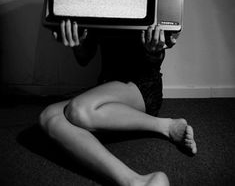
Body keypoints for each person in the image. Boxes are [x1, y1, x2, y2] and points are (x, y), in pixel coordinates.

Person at [39, 20, 197, 186]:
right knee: (49, 116)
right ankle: (134, 182)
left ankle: (166, 126)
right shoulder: (94, 2)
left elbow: (155, 59)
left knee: (79, 110)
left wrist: (154, 51)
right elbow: (85, 58)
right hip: (106, 87)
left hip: (141, 88)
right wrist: (76, 43)